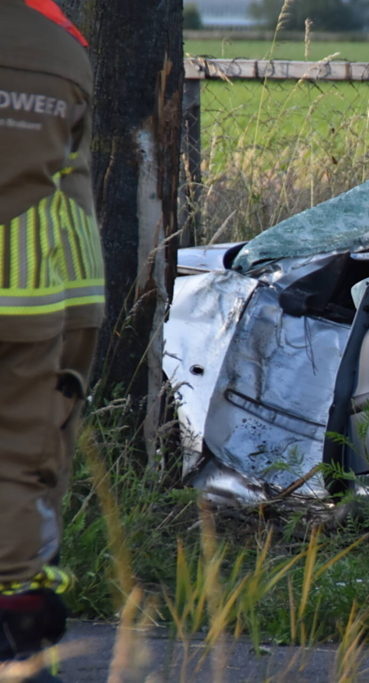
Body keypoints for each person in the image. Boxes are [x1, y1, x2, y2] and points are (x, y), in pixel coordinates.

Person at [0, 0, 105, 679]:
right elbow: (71, 198)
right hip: (31, 295)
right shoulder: (59, 47)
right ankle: (14, 613)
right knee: (18, 452)